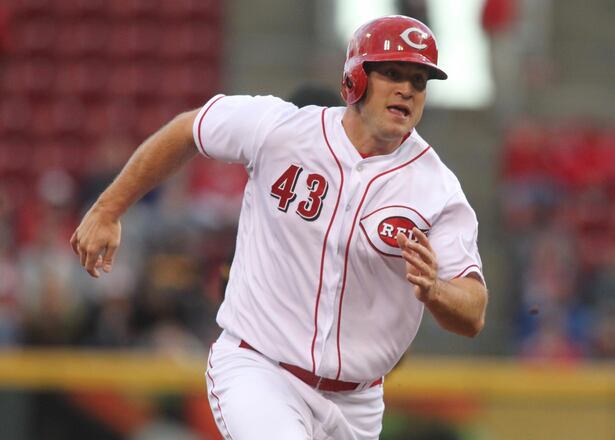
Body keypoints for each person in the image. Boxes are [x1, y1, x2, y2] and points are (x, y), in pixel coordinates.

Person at [70, 15, 487, 440]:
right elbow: (190, 129)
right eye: (393, 74)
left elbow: (473, 311)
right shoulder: (282, 128)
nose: (407, 89)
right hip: (260, 368)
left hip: (357, 403)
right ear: (355, 79)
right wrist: (108, 209)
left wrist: (436, 291)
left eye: (419, 80)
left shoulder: (437, 189)